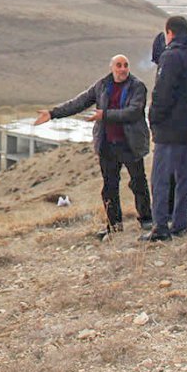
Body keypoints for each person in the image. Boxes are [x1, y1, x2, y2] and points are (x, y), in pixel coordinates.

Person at [35, 54, 152, 238]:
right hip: (108, 145)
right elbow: (79, 103)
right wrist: (52, 113)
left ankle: (146, 220)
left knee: (138, 183)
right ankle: (114, 226)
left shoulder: (137, 86)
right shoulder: (103, 85)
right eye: (119, 65)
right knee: (109, 187)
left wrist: (104, 115)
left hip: (131, 144)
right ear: (112, 67)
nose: (122, 69)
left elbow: (134, 112)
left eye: (126, 65)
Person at [141, 16, 187, 242]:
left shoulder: (171, 56)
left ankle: (160, 226)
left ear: (169, 32)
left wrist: (154, 119)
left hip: (169, 129)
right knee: (185, 177)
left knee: (161, 178)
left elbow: (163, 94)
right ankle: (181, 224)